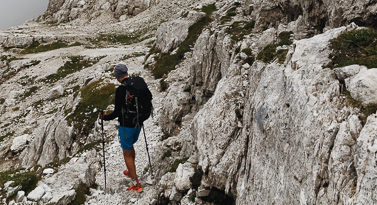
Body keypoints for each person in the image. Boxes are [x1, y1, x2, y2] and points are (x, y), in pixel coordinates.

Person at [100, 63, 144, 193]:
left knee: (126, 153)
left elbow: (117, 113)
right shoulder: (137, 84)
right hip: (139, 123)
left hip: (126, 126)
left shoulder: (121, 90)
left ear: (118, 76)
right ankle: (131, 171)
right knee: (130, 147)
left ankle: (135, 182)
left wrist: (104, 117)